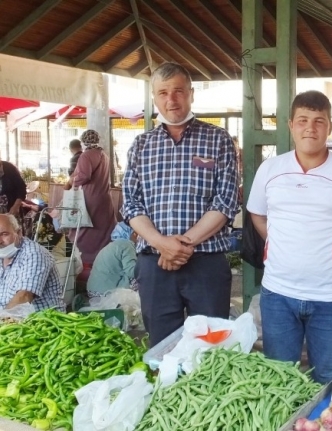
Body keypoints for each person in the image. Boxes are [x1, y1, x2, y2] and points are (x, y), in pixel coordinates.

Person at [247, 90, 332, 384]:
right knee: (280, 380)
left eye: (319, 121)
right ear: (290, 124)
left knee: (329, 378)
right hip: (278, 294)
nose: (311, 127)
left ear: (330, 128)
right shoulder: (271, 170)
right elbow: (257, 214)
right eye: (303, 120)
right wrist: (277, 241)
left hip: (330, 298)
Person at [122, 62, 238, 347]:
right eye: (163, 93)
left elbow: (226, 201)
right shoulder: (141, 145)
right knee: (162, 347)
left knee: (210, 348)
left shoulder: (218, 139)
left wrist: (180, 245)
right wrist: (161, 243)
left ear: (191, 93)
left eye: (178, 91)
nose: (170, 100)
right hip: (154, 264)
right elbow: (131, 204)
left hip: (206, 263)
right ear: (154, 98)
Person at [68, 130, 117, 265]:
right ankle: (103, 258)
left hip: (90, 199)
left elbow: (84, 176)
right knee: (104, 229)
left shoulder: (86, 156)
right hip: (104, 198)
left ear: (84, 141)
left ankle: (85, 260)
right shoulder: (104, 155)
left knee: (85, 229)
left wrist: (73, 182)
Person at [0, 214, 63, 311]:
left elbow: (24, 297)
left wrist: (3, 320)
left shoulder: (33, 253)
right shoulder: (2, 255)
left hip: (40, 321)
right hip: (11, 318)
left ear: (19, 233)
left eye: (4, 234)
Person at [87, 222, 138, 298]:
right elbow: (131, 272)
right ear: (133, 233)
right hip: (105, 294)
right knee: (139, 278)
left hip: (92, 292)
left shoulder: (112, 245)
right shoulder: (127, 245)